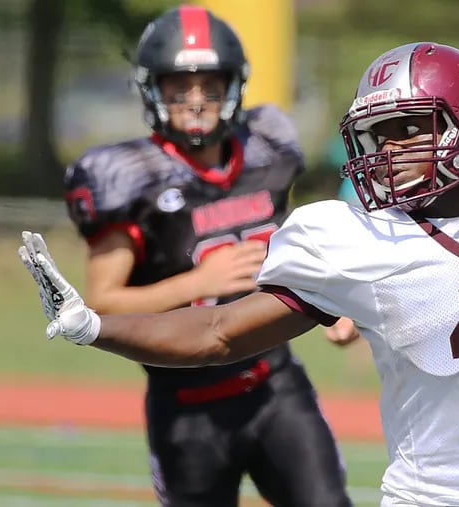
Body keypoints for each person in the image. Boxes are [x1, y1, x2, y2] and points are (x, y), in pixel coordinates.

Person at [21, 41, 459, 507]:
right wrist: (94, 325)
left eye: (410, 129)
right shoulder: (354, 239)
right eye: (381, 135)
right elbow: (219, 332)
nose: (390, 151)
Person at [57, 5, 354, 507]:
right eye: (180, 87)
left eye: (210, 86)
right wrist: (195, 284)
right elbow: (101, 305)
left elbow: (292, 247)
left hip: (275, 386)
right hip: (187, 405)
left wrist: (334, 302)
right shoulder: (129, 177)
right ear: (154, 90)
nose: (196, 101)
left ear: (233, 87)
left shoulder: (267, 149)